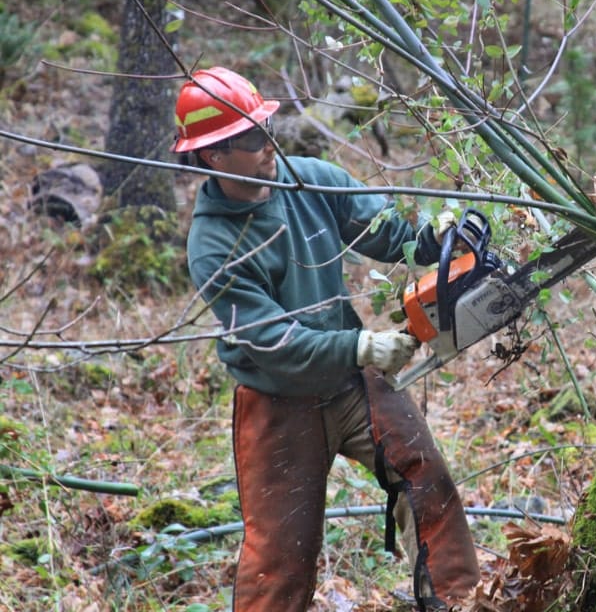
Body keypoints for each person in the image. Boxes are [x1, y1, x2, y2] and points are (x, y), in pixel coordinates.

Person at [172, 66, 481, 612]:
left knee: (428, 483)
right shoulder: (214, 244)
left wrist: (435, 236)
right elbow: (272, 340)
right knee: (279, 561)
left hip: (350, 384)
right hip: (278, 403)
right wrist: (362, 347)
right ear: (213, 156)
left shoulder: (308, 179)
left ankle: (457, 603)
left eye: (266, 127)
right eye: (249, 138)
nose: (268, 145)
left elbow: (387, 232)